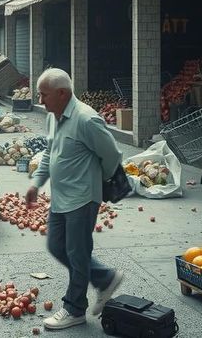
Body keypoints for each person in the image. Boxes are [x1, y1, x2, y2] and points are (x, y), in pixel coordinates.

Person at [26, 68, 125, 330]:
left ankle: (74, 308)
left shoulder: (86, 119)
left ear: (62, 93)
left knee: (77, 254)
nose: (40, 99)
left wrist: (97, 181)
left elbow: (112, 155)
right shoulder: (53, 117)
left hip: (82, 199)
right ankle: (105, 278)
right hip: (61, 198)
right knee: (57, 246)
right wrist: (37, 183)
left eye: (44, 94)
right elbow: (49, 152)